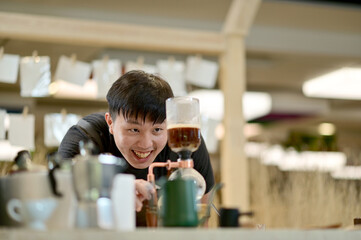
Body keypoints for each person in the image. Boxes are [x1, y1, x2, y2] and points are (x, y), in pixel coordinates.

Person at [58, 70, 214, 226]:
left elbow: (201, 223)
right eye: (134, 130)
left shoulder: (184, 142)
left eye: (157, 130)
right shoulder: (85, 137)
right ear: (110, 123)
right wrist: (116, 189)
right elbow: (58, 200)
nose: (146, 144)